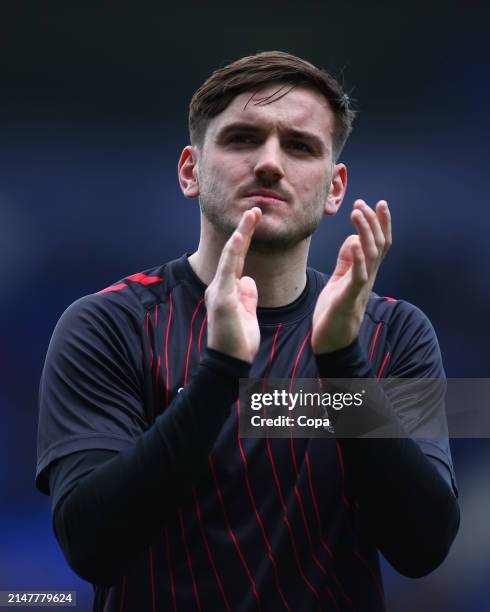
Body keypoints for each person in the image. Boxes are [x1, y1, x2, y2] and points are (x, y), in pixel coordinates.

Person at [36, 51, 459, 611]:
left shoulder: (394, 333)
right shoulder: (107, 324)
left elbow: (422, 547)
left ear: (335, 189)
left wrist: (341, 363)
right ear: (191, 171)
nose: (269, 163)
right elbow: (93, 546)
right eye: (241, 139)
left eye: (300, 146)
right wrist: (221, 374)